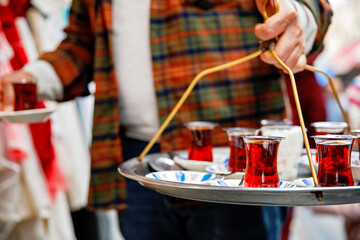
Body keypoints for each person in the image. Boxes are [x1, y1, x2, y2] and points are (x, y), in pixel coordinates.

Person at [0, 0, 332, 239]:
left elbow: (315, 8)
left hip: (233, 165)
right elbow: (81, 45)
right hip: (138, 163)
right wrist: (30, 79)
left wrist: (298, 16)